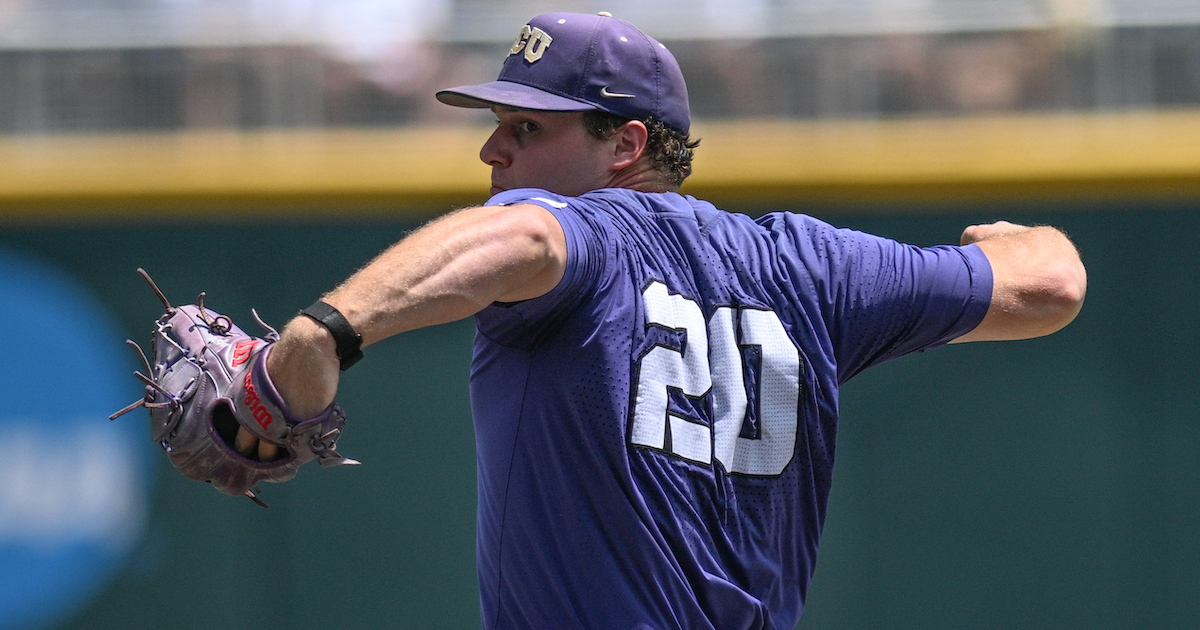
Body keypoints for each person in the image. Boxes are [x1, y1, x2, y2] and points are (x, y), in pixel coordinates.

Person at [238, 11, 1087, 629]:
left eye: (526, 127)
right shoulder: (812, 267)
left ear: (626, 145)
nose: (494, 152)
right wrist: (1014, 237)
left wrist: (326, 333)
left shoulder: (580, 233)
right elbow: (1051, 283)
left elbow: (528, 234)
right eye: (497, 125)